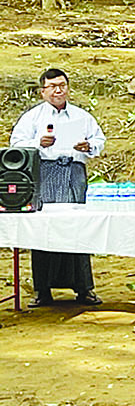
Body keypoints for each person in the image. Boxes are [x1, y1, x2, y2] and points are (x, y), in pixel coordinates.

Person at [9, 68, 106, 307]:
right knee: (44, 229)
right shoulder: (32, 118)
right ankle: (43, 290)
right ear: (43, 91)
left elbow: (99, 140)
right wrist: (37, 143)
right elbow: (16, 145)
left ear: (68, 88)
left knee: (78, 228)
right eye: (52, 86)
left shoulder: (82, 116)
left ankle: (84, 288)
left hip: (74, 173)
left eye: (62, 85)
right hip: (45, 173)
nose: (58, 90)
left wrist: (88, 146)